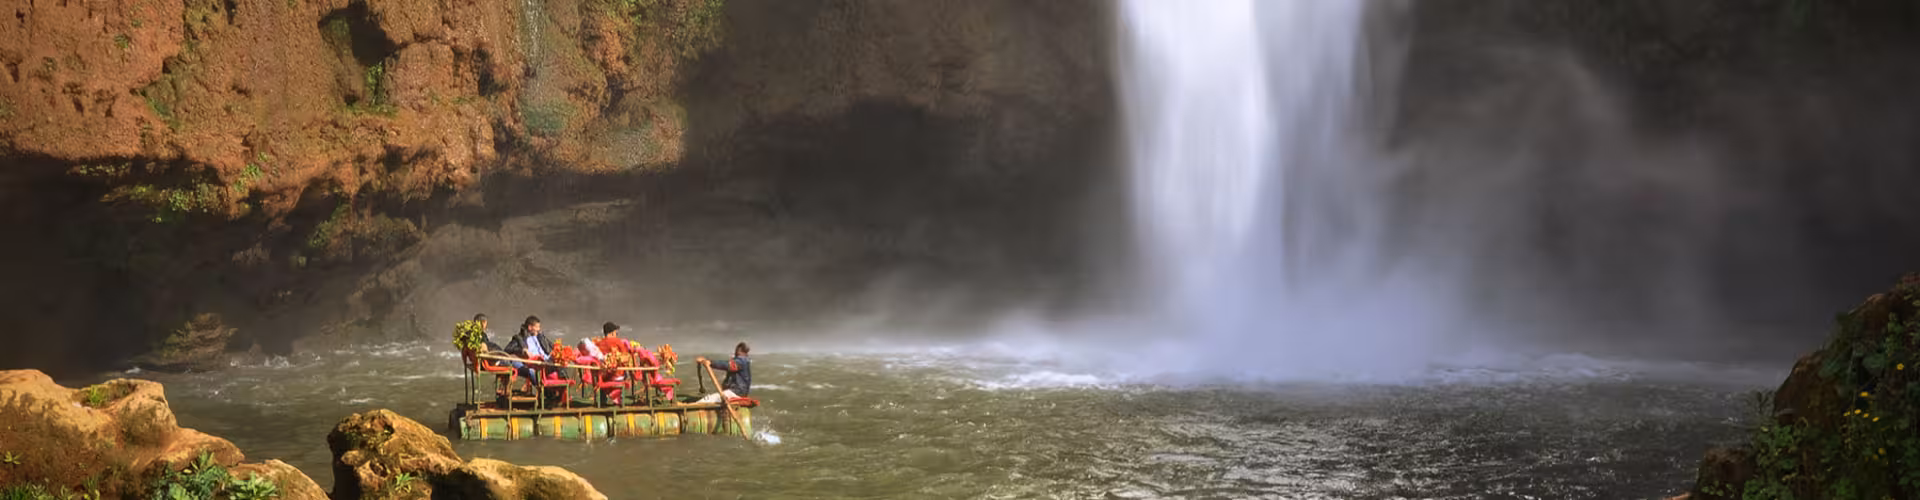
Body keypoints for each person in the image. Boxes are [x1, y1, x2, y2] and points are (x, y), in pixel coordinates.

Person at [504, 316, 555, 382]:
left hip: (547, 362)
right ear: (530, 327)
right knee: (532, 372)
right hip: (534, 364)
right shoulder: (520, 338)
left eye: (539, 327)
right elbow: (507, 350)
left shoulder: (541, 337)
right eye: (536, 327)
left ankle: (561, 389)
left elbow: (553, 346)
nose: (539, 329)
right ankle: (545, 390)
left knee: (561, 365)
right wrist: (522, 351)